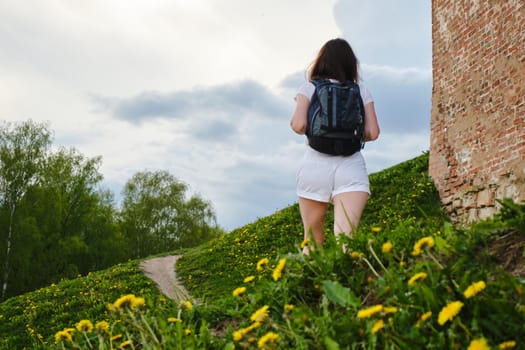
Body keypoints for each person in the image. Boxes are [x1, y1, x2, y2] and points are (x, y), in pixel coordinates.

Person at [290, 38, 380, 254]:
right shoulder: (361, 90)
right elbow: (373, 132)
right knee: (346, 240)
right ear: (351, 63)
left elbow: (299, 124)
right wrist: (349, 135)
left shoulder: (309, 87)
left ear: (321, 61)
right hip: (351, 167)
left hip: (315, 166)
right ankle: (347, 285)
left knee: (311, 240)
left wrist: (321, 129)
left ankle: (313, 287)